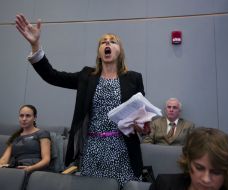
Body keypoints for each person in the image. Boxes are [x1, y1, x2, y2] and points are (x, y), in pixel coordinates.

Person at [15, 14, 145, 186]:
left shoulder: (133, 78)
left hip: (122, 149)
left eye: (112, 41)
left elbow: (142, 117)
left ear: (120, 51)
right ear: (99, 52)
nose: (107, 43)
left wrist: (141, 126)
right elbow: (52, 76)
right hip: (91, 149)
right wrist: (35, 45)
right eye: (103, 42)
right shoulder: (87, 76)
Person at [149, 127, 228, 190]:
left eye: (216, 172)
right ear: (188, 162)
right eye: (199, 168)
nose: (206, 179)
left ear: (227, 172)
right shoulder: (164, 185)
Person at [0, 104, 51, 171]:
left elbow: (46, 160)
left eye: (28, 116)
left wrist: (30, 168)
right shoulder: (15, 136)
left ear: (35, 118)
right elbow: (4, 159)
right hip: (17, 169)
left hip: (34, 169)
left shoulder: (42, 133)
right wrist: (0, 166)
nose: (24, 119)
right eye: (21, 116)